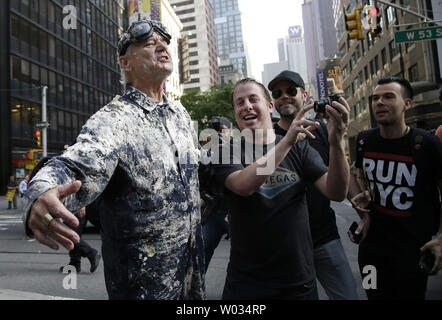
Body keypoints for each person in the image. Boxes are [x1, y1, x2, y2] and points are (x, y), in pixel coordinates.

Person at [23, 19, 204, 300]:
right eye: (148, 44)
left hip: (192, 283)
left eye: (164, 42)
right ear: (126, 63)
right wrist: (41, 190)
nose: (161, 46)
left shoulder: (180, 115)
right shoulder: (113, 120)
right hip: (142, 287)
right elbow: (73, 163)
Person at [211, 78, 350, 300]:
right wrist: (287, 142)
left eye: (253, 99)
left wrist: (336, 142)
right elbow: (243, 185)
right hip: (246, 284)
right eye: (239, 102)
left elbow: (336, 192)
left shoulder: (301, 148)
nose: (246, 105)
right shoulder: (226, 152)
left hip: (297, 282)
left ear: (269, 106)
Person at [349, 76, 442, 300]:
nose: (379, 102)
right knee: (373, 294)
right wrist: (364, 194)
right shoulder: (363, 140)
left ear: (407, 104)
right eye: (375, 98)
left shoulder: (427, 144)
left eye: (389, 97)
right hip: (371, 251)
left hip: (411, 250)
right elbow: (360, 174)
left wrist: (440, 238)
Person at [268, 70, 359, 300]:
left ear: (305, 95)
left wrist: (337, 140)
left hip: (324, 236)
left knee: (347, 295)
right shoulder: (266, 138)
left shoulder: (323, 130)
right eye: (277, 93)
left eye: (291, 91)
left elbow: (340, 181)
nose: (284, 97)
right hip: (286, 245)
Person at [28, 156, 101, 274]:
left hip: (77, 206)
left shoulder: (74, 164)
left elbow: (83, 182)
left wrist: (83, 205)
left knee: (71, 235)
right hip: (70, 205)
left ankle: (92, 253)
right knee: (73, 235)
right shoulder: (63, 165)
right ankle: (75, 263)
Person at [199, 116, 231, 272]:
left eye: (222, 131)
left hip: (234, 211)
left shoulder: (239, 150)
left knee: (247, 253)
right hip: (213, 211)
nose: (218, 134)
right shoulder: (204, 154)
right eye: (214, 130)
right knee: (201, 250)